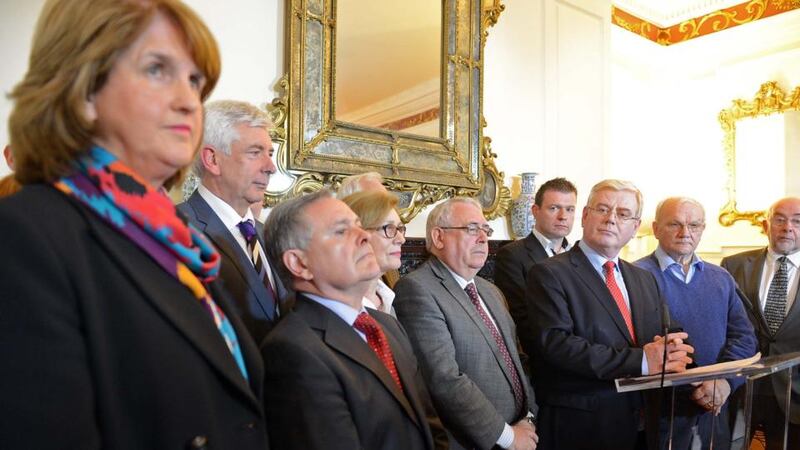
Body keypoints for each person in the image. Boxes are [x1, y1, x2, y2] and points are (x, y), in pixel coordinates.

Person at [0, 1, 268, 449]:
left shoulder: (178, 241)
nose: (188, 101)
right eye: (157, 69)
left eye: (195, 80)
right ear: (83, 90)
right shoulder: (24, 235)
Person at [260, 189, 446, 450]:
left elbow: (430, 427)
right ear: (299, 263)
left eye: (359, 226)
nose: (363, 237)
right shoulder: (293, 350)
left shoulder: (387, 326)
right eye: (340, 231)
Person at [525, 179, 694, 450]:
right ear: (585, 215)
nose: (611, 219)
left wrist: (680, 354)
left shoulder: (643, 278)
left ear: (635, 227)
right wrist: (641, 361)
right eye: (603, 209)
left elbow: (665, 332)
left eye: (623, 214)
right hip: (583, 426)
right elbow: (556, 345)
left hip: (642, 423)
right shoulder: (549, 274)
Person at [394, 197, 539, 450]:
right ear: (439, 237)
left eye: (486, 230)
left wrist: (528, 416)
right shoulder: (417, 289)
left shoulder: (491, 291)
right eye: (472, 229)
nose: (483, 238)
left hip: (521, 432)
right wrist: (507, 436)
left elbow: (519, 359)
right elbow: (443, 378)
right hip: (472, 442)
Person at [636, 197, 757, 450]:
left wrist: (724, 382)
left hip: (714, 407)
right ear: (656, 228)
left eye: (694, 225)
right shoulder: (635, 275)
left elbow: (744, 338)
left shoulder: (721, 277)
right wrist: (697, 387)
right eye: (675, 224)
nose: (685, 233)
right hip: (660, 412)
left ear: (703, 229)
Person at [178, 99, 286, 344]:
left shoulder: (269, 235)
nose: (271, 167)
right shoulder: (177, 230)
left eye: (270, 153)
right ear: (213, 160)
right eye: (255, 152)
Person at [721, 197, 800, 450]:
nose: (787, 227)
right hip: (741, 387)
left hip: (795, 391)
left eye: (797, 221)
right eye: (779, 219)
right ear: (766, 225)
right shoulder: (732, 266)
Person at [495, 176, 577, 361]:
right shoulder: (512, 255)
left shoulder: (580, 256)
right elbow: (522, 319)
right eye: (554, 208)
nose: (563, 216)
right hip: (545, 357)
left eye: (570, 209)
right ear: (535, 211)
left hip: (587, 353)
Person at [341, 190, 406, 316]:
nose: (401, 239)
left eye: (400, 229)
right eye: (389, 228)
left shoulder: (386, 298)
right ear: (358, 235)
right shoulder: (340, 305)